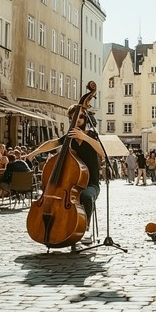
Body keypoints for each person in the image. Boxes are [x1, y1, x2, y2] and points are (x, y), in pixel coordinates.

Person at [26, 104, 104, 245]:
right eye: (73, 117)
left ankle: (85, 229)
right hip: (70, 186)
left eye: (80, 116)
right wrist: (33, 153)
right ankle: (64, 229)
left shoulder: (93, 136)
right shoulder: (70, 137)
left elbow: (103, 152)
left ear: (86, 118)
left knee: (85, 196)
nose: (77, 120)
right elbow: (53, 143)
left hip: (90, 183)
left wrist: (84, 137)